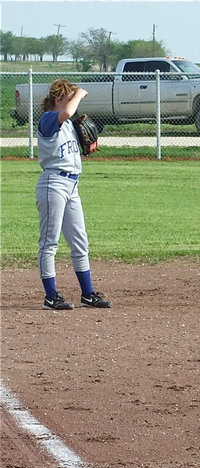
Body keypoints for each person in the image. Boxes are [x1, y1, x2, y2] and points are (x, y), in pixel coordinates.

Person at [36, 79, 111, 310]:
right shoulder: (48, 118)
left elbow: (75, 133)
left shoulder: (67, 123)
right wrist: (79, 93)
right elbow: (68, 110)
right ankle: (51, 297)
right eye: (69, 97)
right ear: (59, 99)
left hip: (72, 185)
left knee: (80, 242)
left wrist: (88, 147)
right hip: (53, 183)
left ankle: (88, 294)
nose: (74, 102)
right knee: (50, 242)